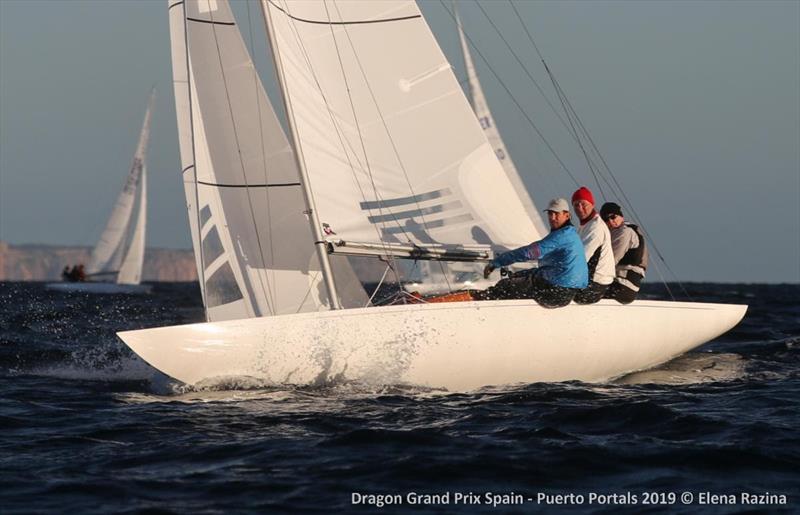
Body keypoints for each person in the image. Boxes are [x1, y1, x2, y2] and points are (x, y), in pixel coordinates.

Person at [424, 198, 588, 308]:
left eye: (556, 214)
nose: (552, 217)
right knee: (519, 277)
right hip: (566, 291)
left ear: (567, 215)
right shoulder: (570, 234)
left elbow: (530, 252)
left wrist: (498, 261)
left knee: (503, 287)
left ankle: (471, 302)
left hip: (556, 292)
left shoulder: (561, 236)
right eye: (550, 213)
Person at [571, 186, 615, 304]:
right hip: (590, 283)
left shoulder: (596, 227)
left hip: (594, 287)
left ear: (592, 204)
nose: (580, 208)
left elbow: (580, 258)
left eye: (583, 204)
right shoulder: (584, 226)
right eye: (576, 205)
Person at [600, 202, 648, 304]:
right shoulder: (624, 230)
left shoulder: (624, 233)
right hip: (626, 286)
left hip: (624, 286)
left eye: (613, 217)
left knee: (587, 291)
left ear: (621, 216)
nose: (611, 221)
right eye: (606, 220)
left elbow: (610, 262)